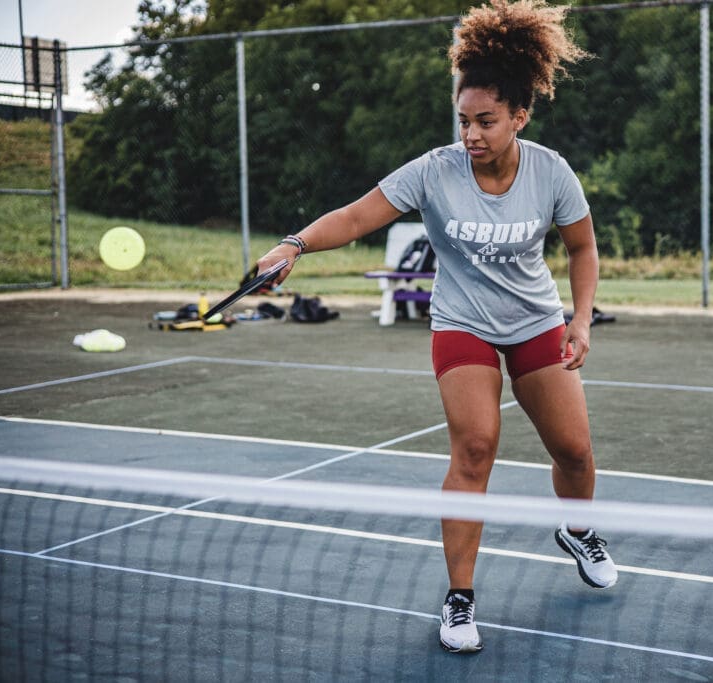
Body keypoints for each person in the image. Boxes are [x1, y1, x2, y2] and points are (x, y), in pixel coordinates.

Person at [255, 0, 617, 654]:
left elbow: (583, 248)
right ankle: (459, 600)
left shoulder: (551, 172)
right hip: (463, 324)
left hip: (535, 321)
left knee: (575, 450)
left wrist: (582, 318)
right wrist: (293, 246)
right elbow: (358, 215)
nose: (471, 134)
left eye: (485, 121)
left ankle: (578, 528)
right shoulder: (434, 171)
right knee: (475, 446)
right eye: (463, 120)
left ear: (519, 117)